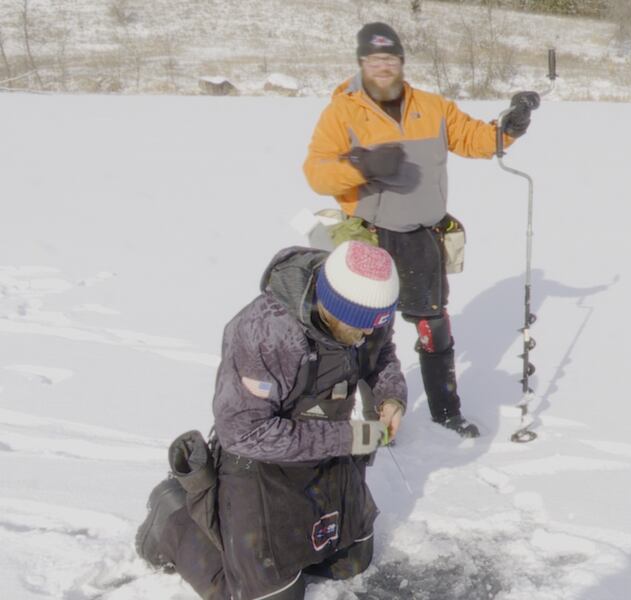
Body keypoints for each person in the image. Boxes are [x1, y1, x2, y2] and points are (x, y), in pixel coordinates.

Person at [303, 22, 540, 438]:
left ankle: (446, 412)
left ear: (401, 62)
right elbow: (317, 173)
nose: (383, 67)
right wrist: (361, 165)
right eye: (374, 59)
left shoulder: (431, 107)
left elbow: (475, 139)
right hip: (370, 235)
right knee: (370, 332)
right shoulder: (342, 112)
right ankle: (377, 419)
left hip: (422, 236)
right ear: (361, 62)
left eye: (390, 59)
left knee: (434, 327)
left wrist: (510, 127)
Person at [135, 241, 407, 600]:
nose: (369, 334)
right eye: (361, 327)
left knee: (351, 562)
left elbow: (381, 354)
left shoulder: (368, 311)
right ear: (332, 307)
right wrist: (347, 438)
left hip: (327, 453)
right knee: (269, 595)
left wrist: (391, 397)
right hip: (261, 464)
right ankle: (173, 518)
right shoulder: (266, 333)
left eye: (378, 324)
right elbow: (243, 433)